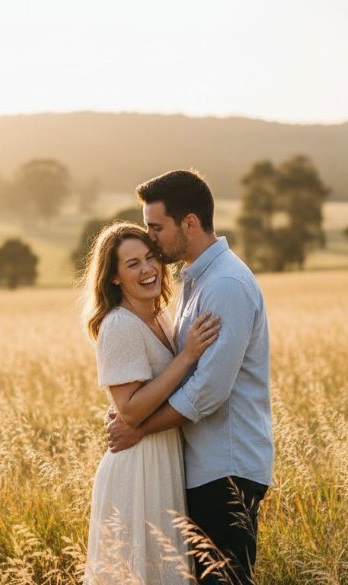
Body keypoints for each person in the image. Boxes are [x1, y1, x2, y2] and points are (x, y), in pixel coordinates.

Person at [107, 169, 274, 585]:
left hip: (226, 468)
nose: (151, 238)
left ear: (190, 223)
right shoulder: (196, 280)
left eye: (156, 228)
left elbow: (208, 392)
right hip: (203, 468)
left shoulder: (226, 285)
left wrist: (139, 429)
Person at [81, 222, 222, 584]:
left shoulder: (160, 315)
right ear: (114, 277)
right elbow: (129, 410)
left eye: (150, 258)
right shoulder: (119, 325)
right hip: (137, 469)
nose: (147, 270)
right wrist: (187, 356)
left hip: (162, 461)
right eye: (132, 264)